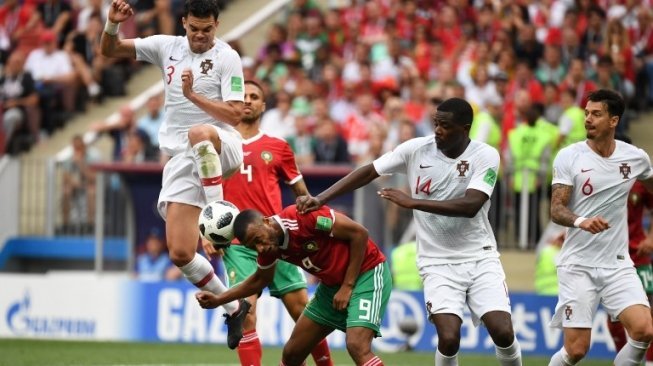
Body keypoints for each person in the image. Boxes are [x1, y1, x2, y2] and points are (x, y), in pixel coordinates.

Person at [296, 97, 523, 366]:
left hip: (480, 256)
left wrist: (412, 201)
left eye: (445, 126)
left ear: (465, 128)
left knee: (503, 332)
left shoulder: (485, 155)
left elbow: (472, 204)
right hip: (437, 262)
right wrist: (321, 199)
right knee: (449, 338)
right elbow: (369, 170)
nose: (437, 130)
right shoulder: (417, 149)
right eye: (436, 123)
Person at [100, 0, 249, 349]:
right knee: (181, 253)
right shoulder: (166, 46)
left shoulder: (227, 57)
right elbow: (109, 50)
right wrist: (111, 24)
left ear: (216, 25)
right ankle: (233, 305)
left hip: (221, 143)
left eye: (207, 30)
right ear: (184, 22)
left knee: (199, 132)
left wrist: (192, 95)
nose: (200, 36)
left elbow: (236, 115)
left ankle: (216, 216)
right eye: (194, 29)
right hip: (183, 159)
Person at [215, 80, 331, 366]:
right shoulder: (217, 142)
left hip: (278, 241)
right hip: (238, 244)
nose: (248, 101)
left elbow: (302, 195)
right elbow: (204, 189)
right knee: (246, 312)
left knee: (304, 312)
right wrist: (207, 234)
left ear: (263, 106)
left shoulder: (278, 147)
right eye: (242, 96)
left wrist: (311, 235)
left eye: (254, 97)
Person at [196, 205, 391, 366]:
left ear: (265, 220)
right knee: (291, 355)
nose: (260, 248)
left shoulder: (301, 218)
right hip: (332, 286)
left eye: (258, 240)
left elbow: (359, 233)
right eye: (253, 247)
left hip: (367, 272)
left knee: (357, 345)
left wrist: (348, 286)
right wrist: (219, 299)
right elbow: (259, 280)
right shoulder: (268, 248)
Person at [548, 89, 653, 366]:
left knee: (644, 330)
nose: (588, 119)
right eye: (586, 113)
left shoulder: (635, 158)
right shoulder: (569, 156)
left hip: (617, 263)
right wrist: (582, 221)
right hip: (578, 264)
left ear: (614, 120)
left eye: (596, 114)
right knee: (577, 350)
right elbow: (556, 209)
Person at [606, 135, 653, 365]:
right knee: (614, 317)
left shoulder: (640, 179)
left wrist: (651, 236)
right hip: (609, 256)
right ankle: (622, 357)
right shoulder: (598, 177)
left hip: (638, 254)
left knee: (647, 311)